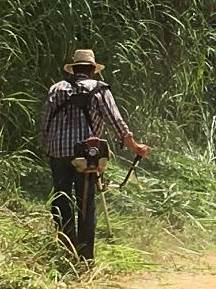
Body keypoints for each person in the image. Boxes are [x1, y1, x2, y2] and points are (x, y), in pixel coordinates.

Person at [40, 49, 150, 262]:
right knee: (86, 202)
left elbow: (44, 125)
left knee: (61, 198)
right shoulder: (98, 89)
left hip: (58, 151)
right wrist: (135, 147)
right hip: (86, 155)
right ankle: (84, 256)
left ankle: (66, 246)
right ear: (92, 70)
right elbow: (116, 122)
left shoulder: (56, 88)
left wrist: (49, 148)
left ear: (73, 69)